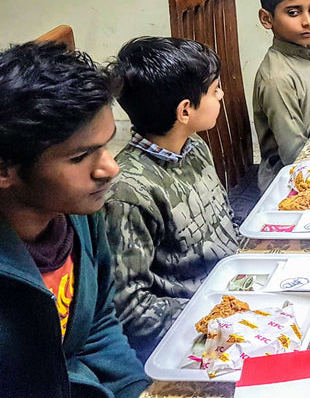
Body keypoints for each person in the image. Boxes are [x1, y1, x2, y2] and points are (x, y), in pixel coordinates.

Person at [0, 41, 149, 398]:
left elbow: (96, 328)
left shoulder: (79, 213)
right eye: (81, 156)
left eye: (107, 144)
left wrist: (137, 391)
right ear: (5, 168)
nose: (110, 168)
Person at [102, 37, 240, 362]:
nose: (221, 94)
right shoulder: (127, 191)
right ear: (185, 110)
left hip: (229, 287)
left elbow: (227, 223)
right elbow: (131, 307)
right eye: (215, 88)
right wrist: (213, 319)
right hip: (188, 327)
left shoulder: (196, 148)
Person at [253, 0, 310, 191]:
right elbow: (294, 156)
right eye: (294, 12)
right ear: (266, 18)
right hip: (290, 184)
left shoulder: (305, 52)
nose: (308, 21)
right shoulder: (277, 79)